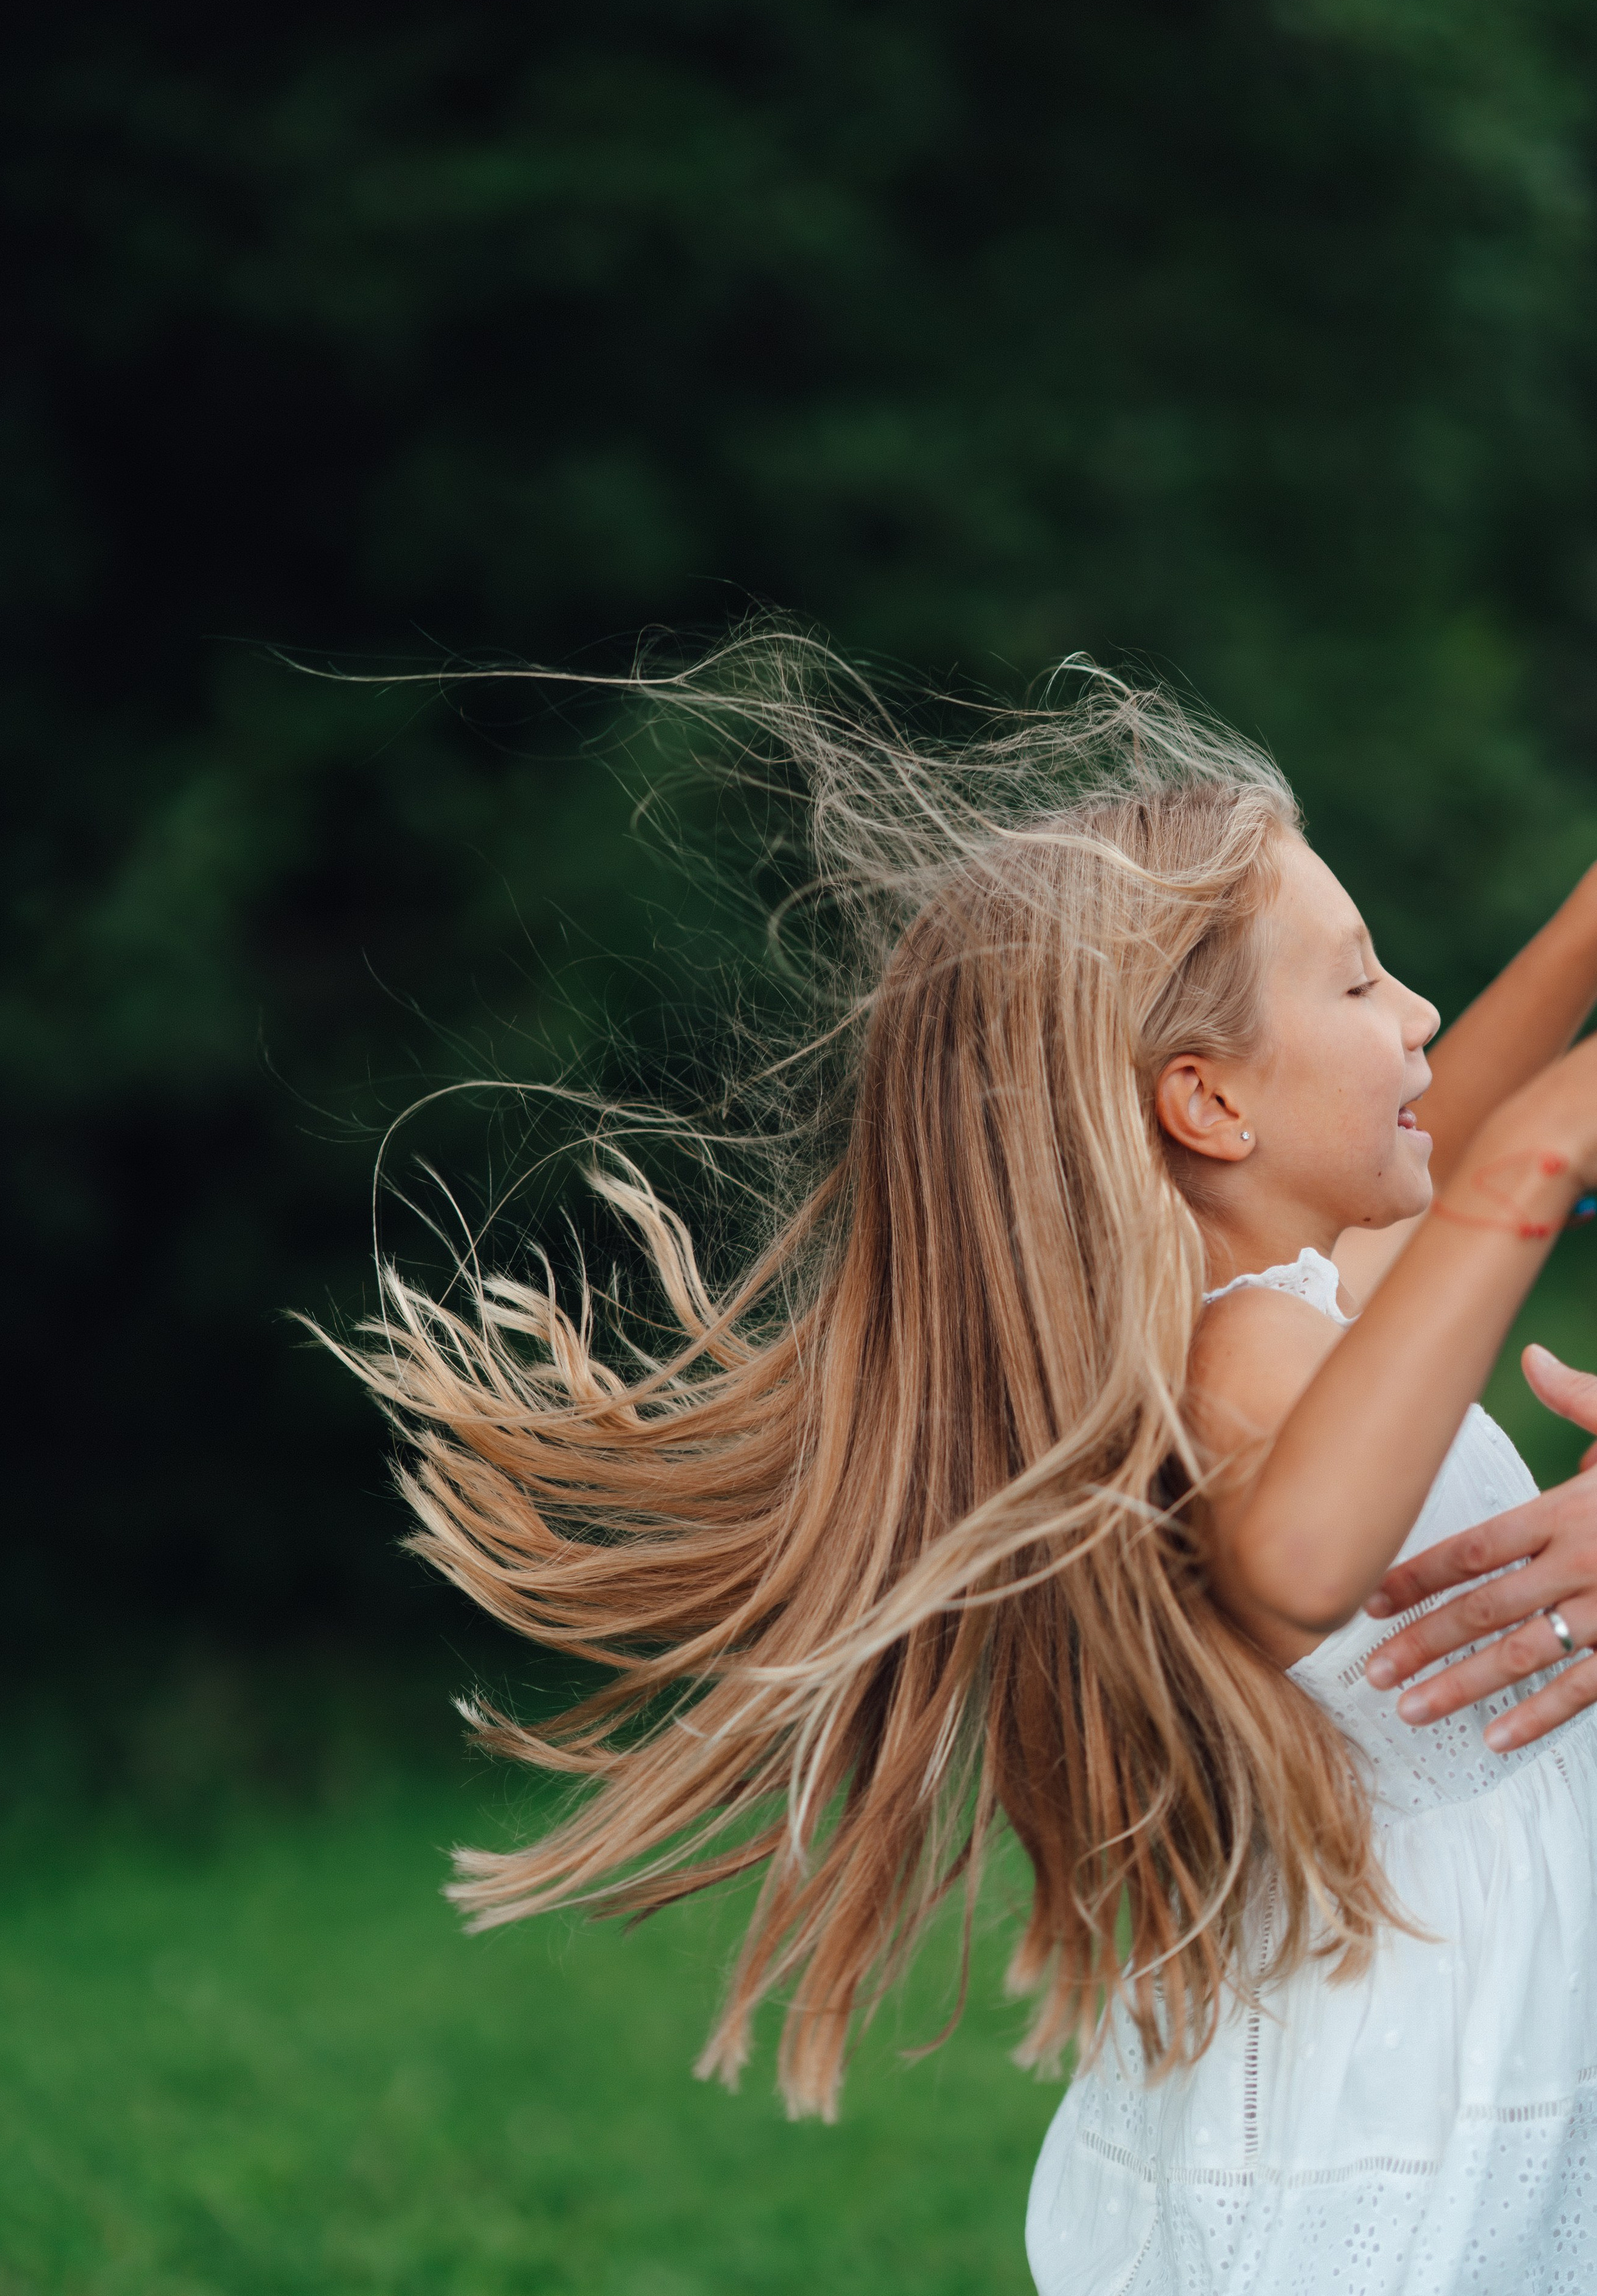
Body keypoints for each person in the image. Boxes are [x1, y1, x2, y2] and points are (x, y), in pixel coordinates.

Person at [322, 642, 1597, 2293]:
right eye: (1359, 986)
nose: (1416, 1013)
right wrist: (1539, 1154)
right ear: (1205, 1104)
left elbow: (1447, 1114)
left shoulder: (1279, 1311)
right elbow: (1292, 1561)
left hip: (1453, 2028)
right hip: (1411, 2090)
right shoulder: (1236, 1371)